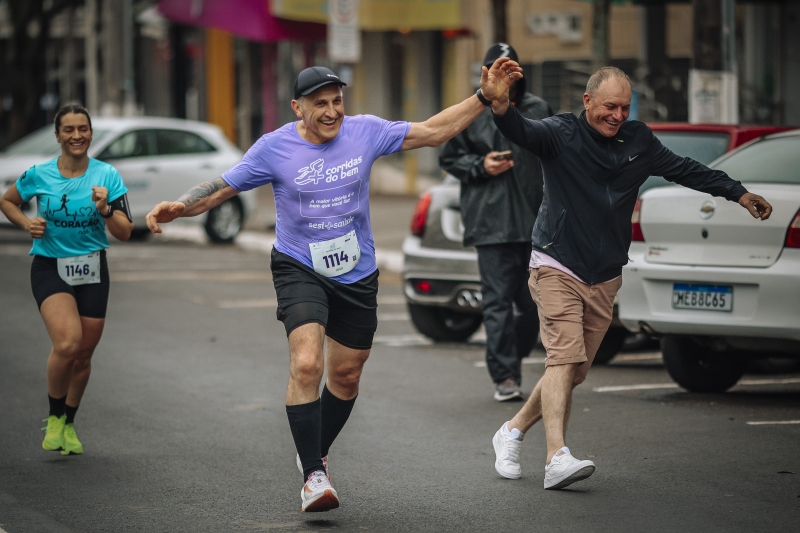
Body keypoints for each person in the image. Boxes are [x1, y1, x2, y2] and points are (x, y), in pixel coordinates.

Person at [145, 60, 523, 512]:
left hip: (356, 270)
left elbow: (433, 131)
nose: (331, 111)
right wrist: (180, 208)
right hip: (299, 265)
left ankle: (313, 449)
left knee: (346, 373)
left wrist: (482, 97)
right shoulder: (275, 147)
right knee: (307, 364)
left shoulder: (364, 132)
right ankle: (313, 475)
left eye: (336, 101)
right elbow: (221, 189)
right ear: (297, 108)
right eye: (319, 103)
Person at [483, 67, 772, 489]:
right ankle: (556, 457)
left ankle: (511, 431)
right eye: (609, 106)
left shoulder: (639, 140)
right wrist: (500, 103)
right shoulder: (560, 133)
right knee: (562, 358)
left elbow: (686, 169)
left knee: (575, 371)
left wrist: (739, 193)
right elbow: (520, 130)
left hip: (604, 272)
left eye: (623, 107)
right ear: (587, 102)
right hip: (556, 261)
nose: (617, 115)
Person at [0, 104, 133, 456]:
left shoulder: (107, 176)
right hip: (49, 265)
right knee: (68, 343)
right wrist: (26, 223)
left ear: (91, 133)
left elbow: (125, 232)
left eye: (83, 129)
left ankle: (70, 422)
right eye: (69, 130)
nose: (77, 136)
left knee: (84, 354)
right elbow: (8, 201)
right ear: (57, 135)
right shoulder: (39, 174)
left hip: (92, 268)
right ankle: (55, 415)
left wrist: (105, 210)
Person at [439, 43, 552, 402]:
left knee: (535, 303)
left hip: (535, 224)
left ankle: (511, 358)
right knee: (498, 304)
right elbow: (449, 157)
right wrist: (480, 166)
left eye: (507, 66)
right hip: (491, 224)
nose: (499, 73)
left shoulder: (537, 109)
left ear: (518, 70)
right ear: (484, 72)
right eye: (492, 67)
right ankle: (505, 376)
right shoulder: (473, 110)